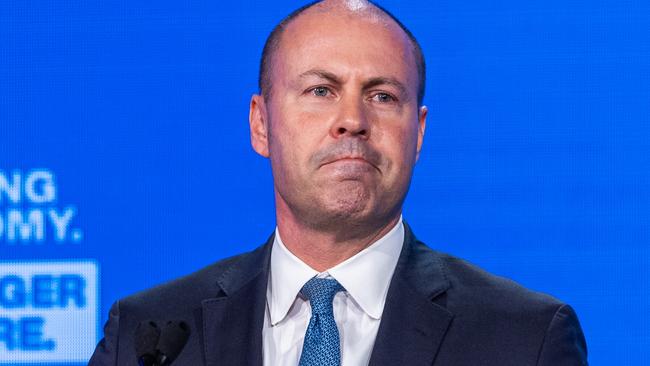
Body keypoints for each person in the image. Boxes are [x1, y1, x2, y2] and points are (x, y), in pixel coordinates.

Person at [89, 0, 588, 365]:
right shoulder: (148, 333)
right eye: (320, 90)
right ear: (261, 124)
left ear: (418, 132)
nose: (352, 120)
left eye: (383, 96)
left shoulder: (525, 338)